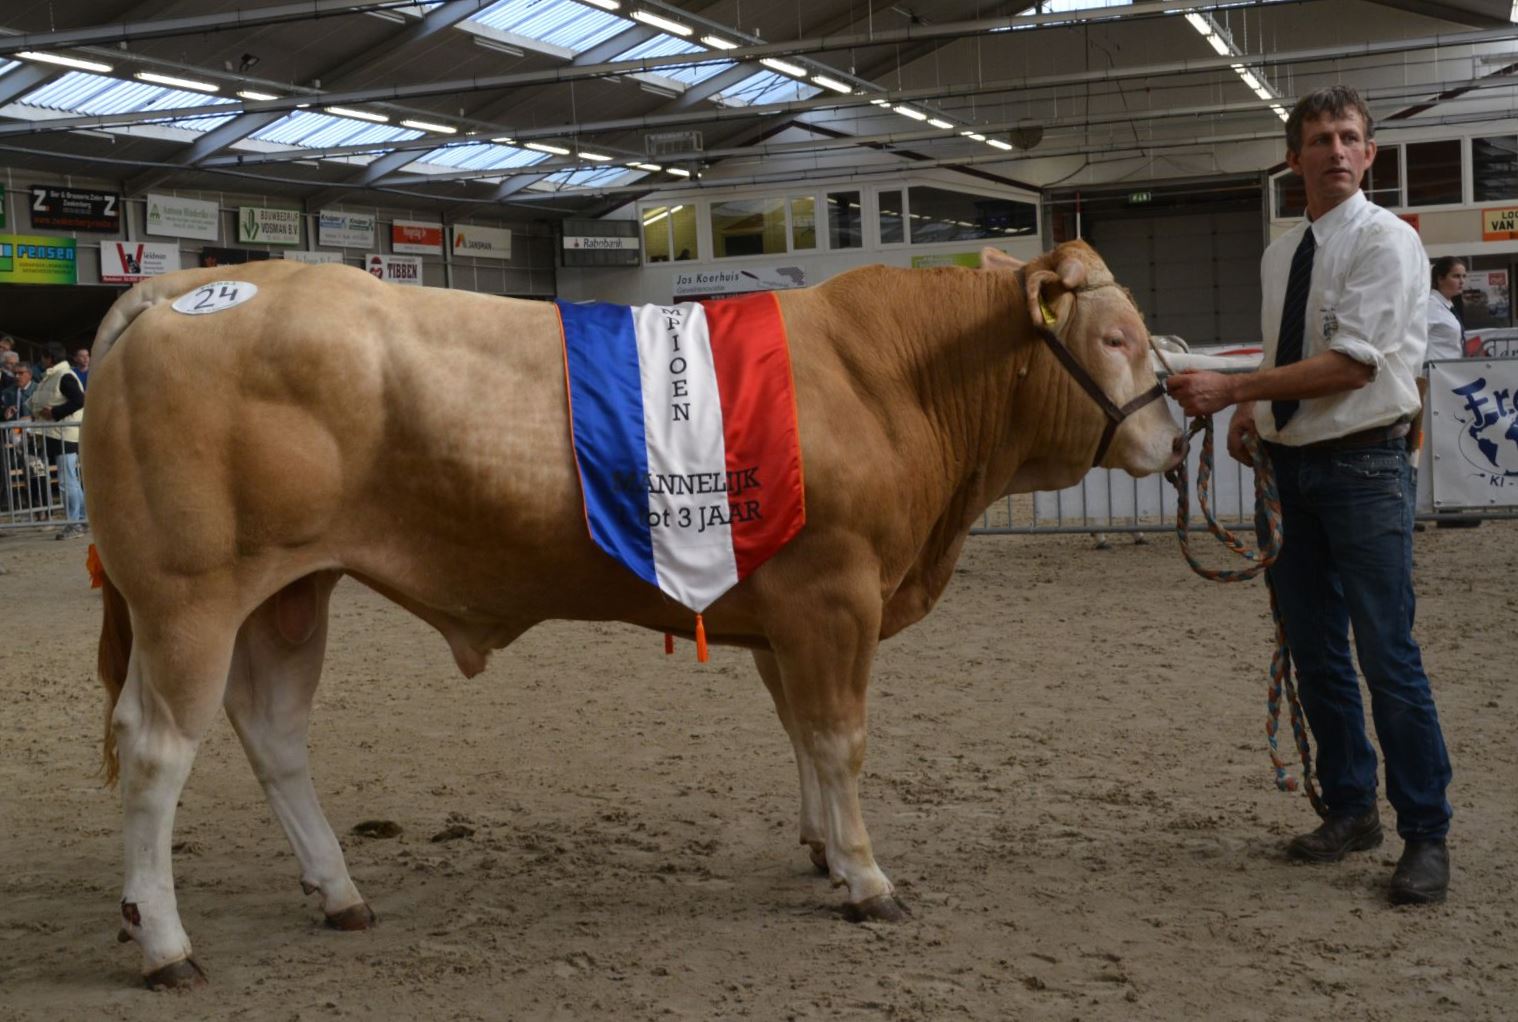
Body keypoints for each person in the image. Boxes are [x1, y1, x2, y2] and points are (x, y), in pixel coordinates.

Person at [1168, 85, 1452, 905]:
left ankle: (1425, 831)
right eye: (1320, 139)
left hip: (1363, 469)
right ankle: (1353, 807)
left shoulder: (1387, 243)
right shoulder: (1281, 252)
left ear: (1369, 155)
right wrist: (1256, 410)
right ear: (1294, 159)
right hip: (1294, 472)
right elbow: (1291, 341)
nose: (1335, 151)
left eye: (1349, 138)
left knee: (1387, 654)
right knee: (1318, 651)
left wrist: (1234, 390)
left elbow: (1353, 365)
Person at [29, 342, 87, 538]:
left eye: (43, 357)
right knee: (70, 479)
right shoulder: (54, 376)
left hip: (64, 434)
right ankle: (81, 519)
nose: (41, 360)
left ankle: (75, 524)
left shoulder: (64, 376)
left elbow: (80, 400)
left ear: (50, 358)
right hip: (57, 433)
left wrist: (55, 412)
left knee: (66, 480)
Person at [1425, 257, 1466, 365]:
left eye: (1464, 276)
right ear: (1440, 279)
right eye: (1456, 276)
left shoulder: (1448, 305)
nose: (1462, 281)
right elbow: (1413, 338)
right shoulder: (1430, 305)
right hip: (1436, 372)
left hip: (1451, 370)